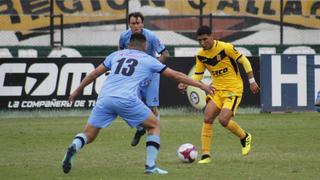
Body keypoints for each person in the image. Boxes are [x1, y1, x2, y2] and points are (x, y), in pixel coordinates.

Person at [62, 33, 214, 174]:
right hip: (126, 99)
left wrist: (76, 91)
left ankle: (74, 145)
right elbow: (176, 75)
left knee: (89, 134)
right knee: (154, 125)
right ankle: (150, 166)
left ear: (129, 44)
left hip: (105, 98)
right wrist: (202, 85)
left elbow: (94, 73)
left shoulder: (115, 55)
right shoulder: (148, 59)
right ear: (145, 46)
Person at [178, 26, 260, 164]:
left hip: (233, 89)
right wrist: (187, 84)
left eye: (205, 39)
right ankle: (206, 155)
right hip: (216, 90)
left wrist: (252, 81)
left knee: (223, 120)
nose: (203, 43)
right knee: (208, 117)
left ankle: (244, 136)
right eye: (199, 40)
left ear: (212, 36)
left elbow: (244, 61)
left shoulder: (225, 47)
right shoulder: (200, 55)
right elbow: (198, 75)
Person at [119, 12, 170, 147]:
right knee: (132, 103)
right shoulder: (124, 37)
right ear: (129, 24)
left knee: (152, 107)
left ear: (142, 24)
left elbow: (165, 53)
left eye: (138, 23)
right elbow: (120, 52)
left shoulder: (151, 36)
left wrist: (154, 67)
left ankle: (154, 135)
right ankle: (140, 129)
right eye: (133, 23)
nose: (135, 26)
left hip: (151, 75)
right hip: (134, 75)